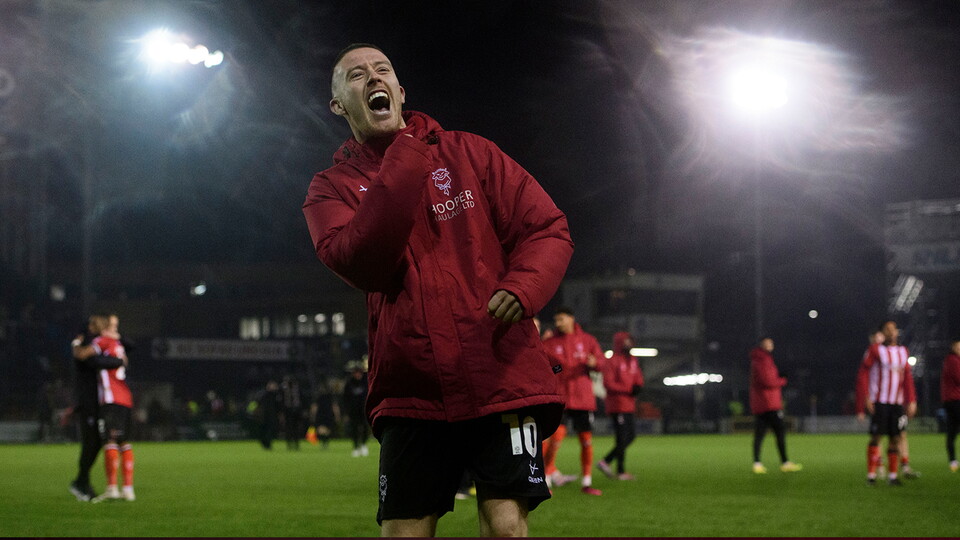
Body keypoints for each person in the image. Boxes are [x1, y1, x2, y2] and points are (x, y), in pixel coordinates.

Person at [302, 43, 573, 537]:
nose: (372, 78)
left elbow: (546, 228)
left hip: (499, 375)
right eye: (356, 76)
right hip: (412, 389)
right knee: (404, 533)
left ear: (401, 92)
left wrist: (524, 286)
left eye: (382, 70)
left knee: (507, 528)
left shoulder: (470, 152)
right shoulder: (330, 189)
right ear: (339, 105)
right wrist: (405, 153)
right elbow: (362, 264)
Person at [542, 307, 605, 496]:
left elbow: (601, 364)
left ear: (571, 319)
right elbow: (545, 367)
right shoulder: (550, 343)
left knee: (585, 440)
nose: (558, 323)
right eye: (556, 320)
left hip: (582, 398)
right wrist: (560, 370)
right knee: (553, 438)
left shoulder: (588, 340)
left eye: (561, 319)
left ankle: (587, 482)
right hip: (559, 397)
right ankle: (544, 480)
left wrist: (595, 364)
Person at [68, 314, 125, 501]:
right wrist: (118, 361)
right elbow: (94, 361)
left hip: (94, 402)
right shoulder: (86, 347)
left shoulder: (91, 344)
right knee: (90, 443)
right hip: (88, 403)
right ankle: (81, 482)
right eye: (98, 325)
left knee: (95, 443)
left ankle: (82, 482)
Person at [856, 320, 917, 486]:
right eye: (886, 329)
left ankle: (892, 476)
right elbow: (863, 374)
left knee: (895, 438)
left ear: (897, 332)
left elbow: (908, 378)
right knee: (876, 436)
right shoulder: (875, 350)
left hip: (896, 403)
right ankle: (871, 475)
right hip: (880, 401)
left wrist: (911, 400)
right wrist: (866, 398)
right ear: (882, 333)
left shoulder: (903, 351)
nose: (890, 332)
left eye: (893, 329)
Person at [91, 314, 136, 502]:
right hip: (125, 397)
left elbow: (89, 357)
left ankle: (112, 488)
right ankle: (127, 488)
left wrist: (77, 346)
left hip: (111, 397)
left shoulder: (102, 341)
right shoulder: (118, 346)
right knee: (124, 442)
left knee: (110, 440)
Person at [749, 337, 802, 474]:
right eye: (769, 343)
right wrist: (782, 380)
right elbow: (768, 381)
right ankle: (782, 462)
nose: (771, 345)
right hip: (768, 403)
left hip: (763, 403)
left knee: (762, 434)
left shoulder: (762, 359)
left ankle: (759, 463)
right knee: (778, 432)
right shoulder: (762, 360)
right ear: (763, 344)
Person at [597, 332, 644, 481]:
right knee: (623, 438)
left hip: (629, 404)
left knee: (629, 437)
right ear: (619, 343)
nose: (629, 344)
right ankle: (616, 468)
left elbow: (638, 377)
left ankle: (609, 464)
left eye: (630, 341)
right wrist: (628, 389)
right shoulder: (612, 361)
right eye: (626, 341)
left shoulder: (633, 360)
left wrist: (638, 385)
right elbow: (608, 383)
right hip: (617, 405)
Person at [342, 360, 370, 457]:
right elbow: (345, 399)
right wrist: (346, 412)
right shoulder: (349, 384)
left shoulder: (366, 383)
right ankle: (356, 447)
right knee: (354, 429)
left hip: (364, 410)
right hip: (353, 411)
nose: (358, 374)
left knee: (365, 428)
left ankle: (363, 444)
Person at [941, 339, 960, 472]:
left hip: (951, 400)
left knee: (952, 431)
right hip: (955, 400)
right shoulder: (952, 360)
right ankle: (953, 460)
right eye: (958, 346)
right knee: (952, 431)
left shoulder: (951, 360)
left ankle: (953, 461)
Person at [280, 375, 304, 451]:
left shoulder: (297, 389)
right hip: (288, 410)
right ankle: (289, 443)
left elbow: (302, 399)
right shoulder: (283, 390)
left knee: (296, 427)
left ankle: (296, 443)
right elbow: (281, 402)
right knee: (288, 428)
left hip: (296, 410)